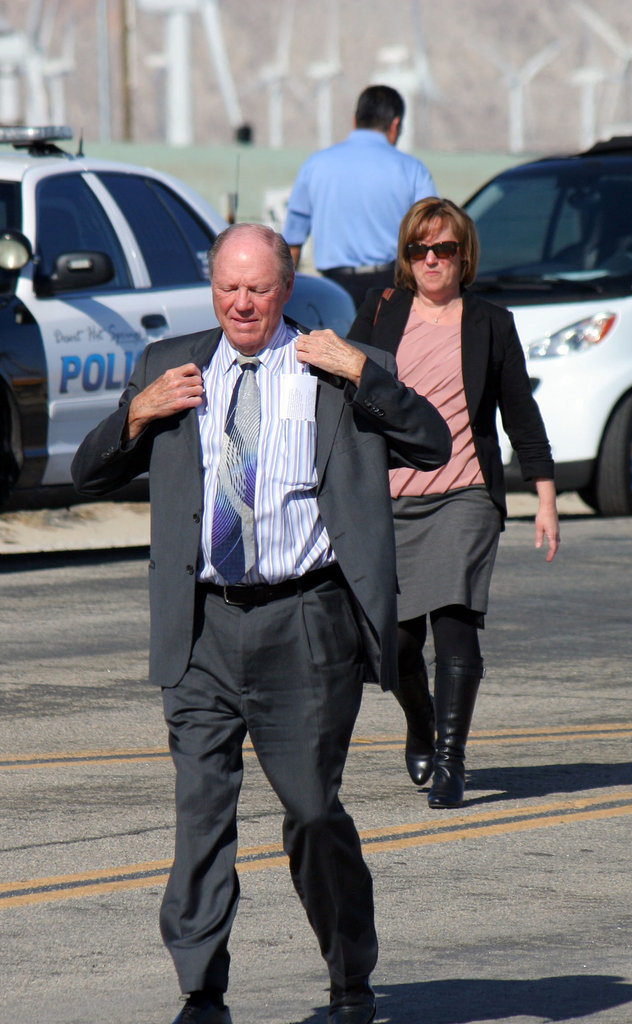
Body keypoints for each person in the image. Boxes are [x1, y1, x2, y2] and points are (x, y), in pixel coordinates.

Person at [70, 223, 451, 1024]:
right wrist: (138, 414)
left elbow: (431, 442)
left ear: (287, 289)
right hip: (202, 624)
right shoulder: (168, 368)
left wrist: (364, 373)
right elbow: (88, 471)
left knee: (313, 811)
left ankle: (351, 977)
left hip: (305, 624)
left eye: (258, 289)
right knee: (202, 813)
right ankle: (201, 993)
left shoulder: (338, 368)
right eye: (227, 287)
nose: (241, 303)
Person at [345, 196, 560, 809]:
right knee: (400, 645)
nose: (431, 260)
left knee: (457, 630)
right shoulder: (383, 311)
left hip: (466, 495)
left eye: (443, 249)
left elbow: (520, 412)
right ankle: (422, 722)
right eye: (419, 250)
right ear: (406, 258)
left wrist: (544, 498)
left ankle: (451, 761)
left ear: (463, 255)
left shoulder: (491, 321)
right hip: (390, 501)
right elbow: (345, 386)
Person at [282, 84, 437, 308]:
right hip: (393, 286)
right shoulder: (413, 169)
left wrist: (286, 301)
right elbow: (432, 233)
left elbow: (292, 244)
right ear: (396, 125)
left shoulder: (315, 165)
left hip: (333, 287)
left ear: (355, 121)